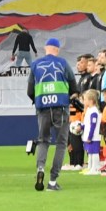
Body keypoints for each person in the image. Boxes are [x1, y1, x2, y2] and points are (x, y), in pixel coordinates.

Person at [28, 38, 74, 192]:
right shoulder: (62, 63)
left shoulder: (35, 65)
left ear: (45, 48)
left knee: (43, 141)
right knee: (61, 143)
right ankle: (53, 181)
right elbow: (73, 85)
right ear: (57, 49)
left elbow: (30, 90)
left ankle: (40, 168)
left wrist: (38, 100)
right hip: (61, 108)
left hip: (42, 108)